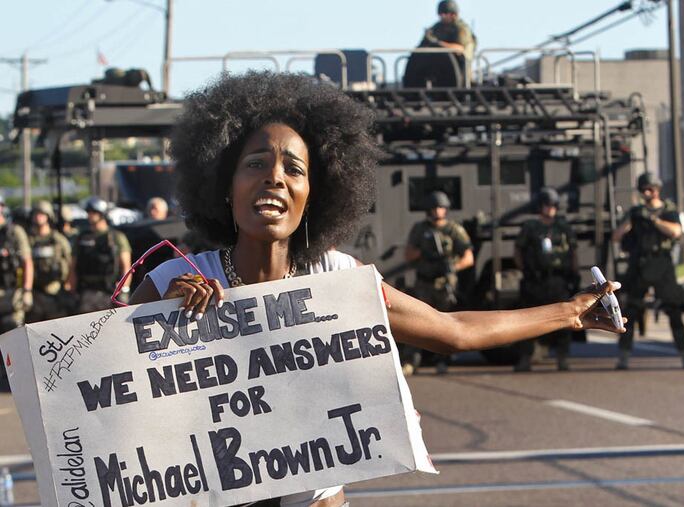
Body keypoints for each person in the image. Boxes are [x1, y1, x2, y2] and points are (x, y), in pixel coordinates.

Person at [128, 71, 624, 507]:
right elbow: (107, 401)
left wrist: (571, 313)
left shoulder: (340, 280)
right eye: (255, 163)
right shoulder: (171, 281)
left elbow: (452, 331)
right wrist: (156, 321)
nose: (275, 178)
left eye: (294, 169)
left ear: (314, 196)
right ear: (225, 184)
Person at [612, 172, 684, 370]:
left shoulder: (668, 211)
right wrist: (631, 221)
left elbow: (676, 231)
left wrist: (654, 220)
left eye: (650, 189)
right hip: (640, 263)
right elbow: (617, 236)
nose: (647, 193)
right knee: (630, 310)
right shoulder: (636, 212)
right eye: (644, 190)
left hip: (662, 263)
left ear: (657, 190)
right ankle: (623, 356)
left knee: (674, 309)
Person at [403, 190, 474, 375]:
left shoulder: (454, 230)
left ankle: (443, 361)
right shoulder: (420, 229)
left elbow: (468, 257)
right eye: (434, 207)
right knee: (417, 324)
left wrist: (453, 267)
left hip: (444, 284)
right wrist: (424, 252)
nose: (437, 211)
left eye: (441, 207)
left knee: (445, 324)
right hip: (424, 284)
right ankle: (412, 361)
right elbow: (408, 254)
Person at [514, 187, 579, 372]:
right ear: (540, 206)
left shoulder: (563, 227)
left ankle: (562, 358)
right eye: (547, 205)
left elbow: (573, 252)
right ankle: (525, 357)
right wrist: (525, 270)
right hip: (535, 280)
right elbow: (518, 250)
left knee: (563, 320)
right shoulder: (531, 227)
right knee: (528, 321)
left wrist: (574, 274)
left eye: (553, 205)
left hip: (557, 280)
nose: (550, 209)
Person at [68, 197, 132, 313]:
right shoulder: (81, 237)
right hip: (87, 292)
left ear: (102, 214)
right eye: (88, 212)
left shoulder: (116, 237)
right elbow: (73, 266)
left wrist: (124, 289)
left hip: (110, 291)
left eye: (93, 212)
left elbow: (126, 267)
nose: (89, 215)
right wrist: (72, 291)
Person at [403, 0, 476, 87]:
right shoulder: (436, 28)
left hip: (459, 70)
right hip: (438, 73)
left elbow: (459, 48)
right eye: (440, 14)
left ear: (453, 14)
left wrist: (439, 44)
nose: (442, 16)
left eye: (445, 13)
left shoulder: (461, 29)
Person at [0, 195, 33, 388]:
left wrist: (27, 289)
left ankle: (20, 377)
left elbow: (27, 261)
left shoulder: (14, 232)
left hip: (13, 291)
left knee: (13, 329)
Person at [26, 200, 73, 323]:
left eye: (42, 214)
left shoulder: (58, 240)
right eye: (36, 214)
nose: (38, 217)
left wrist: (68, 284)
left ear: (48, 216)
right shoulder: (29, 240)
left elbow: (70, 263)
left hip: (55, 291)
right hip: (35, 292)